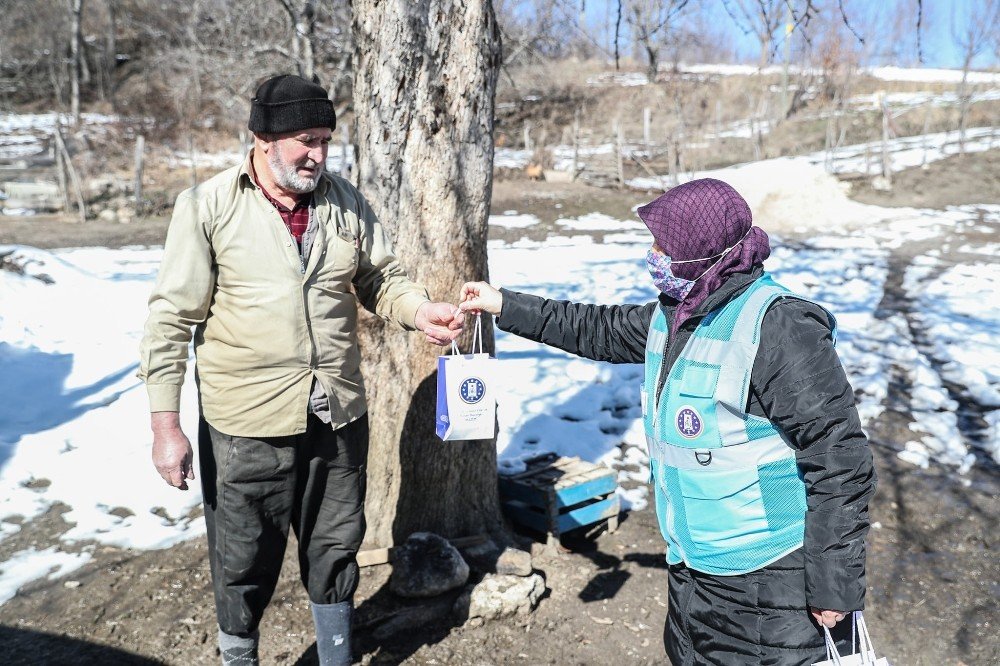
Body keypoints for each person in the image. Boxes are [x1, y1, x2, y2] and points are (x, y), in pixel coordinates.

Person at [459, 178, 876, 665]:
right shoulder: (677, 314)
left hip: (771, 582)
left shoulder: (780, 327)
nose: (653, 253)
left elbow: (839, 457)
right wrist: (503, 305)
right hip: (691, 568)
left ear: (701, 251)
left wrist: (834, 582)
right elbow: (596, 328)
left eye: (663, 243)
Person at [138, 74, 463, 666]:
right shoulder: (207, 207)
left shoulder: (346, 202)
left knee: (336, 548)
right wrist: (166, 426)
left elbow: (379, 278)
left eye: (326, 140)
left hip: (337, 415)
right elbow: (169, 320)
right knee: (241, 561)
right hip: (245, 426)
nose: (317, 154)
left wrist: (421, 312)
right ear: (263, 139)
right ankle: (241, 656)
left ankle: (336, 657)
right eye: (305, 140)